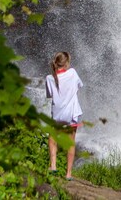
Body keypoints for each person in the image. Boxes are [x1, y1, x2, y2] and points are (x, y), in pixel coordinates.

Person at [45, 51, 84, 179]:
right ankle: (68, 174)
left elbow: (50, 95)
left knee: (52, 137)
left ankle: (54, 166)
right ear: (66, 63)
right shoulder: (72, 73)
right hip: (72, 113)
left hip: (57, 114)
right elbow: (79, 86)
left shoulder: (49, 78)